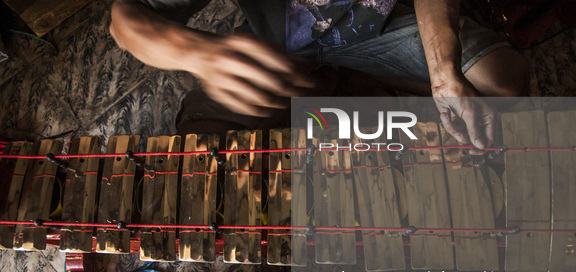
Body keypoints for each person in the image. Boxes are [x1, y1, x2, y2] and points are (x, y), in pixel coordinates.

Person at [109, 0, 529, 153]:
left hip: (372, 27)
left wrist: (444, 73)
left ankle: (348, 78)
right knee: (200, 153)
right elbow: (125, 19)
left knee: (501, 83)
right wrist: (202, 55)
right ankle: (342, 82)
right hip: (276, 46)